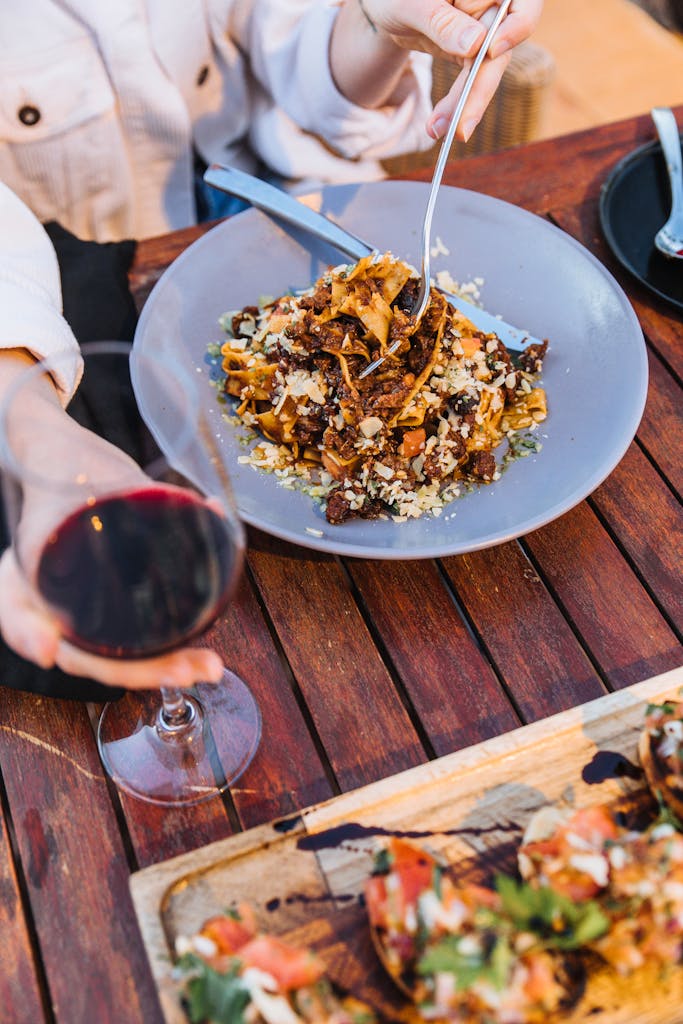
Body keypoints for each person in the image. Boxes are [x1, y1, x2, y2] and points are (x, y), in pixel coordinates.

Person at [0, 0, 543, 692]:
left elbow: (287, 32)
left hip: (263, 201)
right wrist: (31, 425)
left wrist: (373, 26)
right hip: (49, 292)